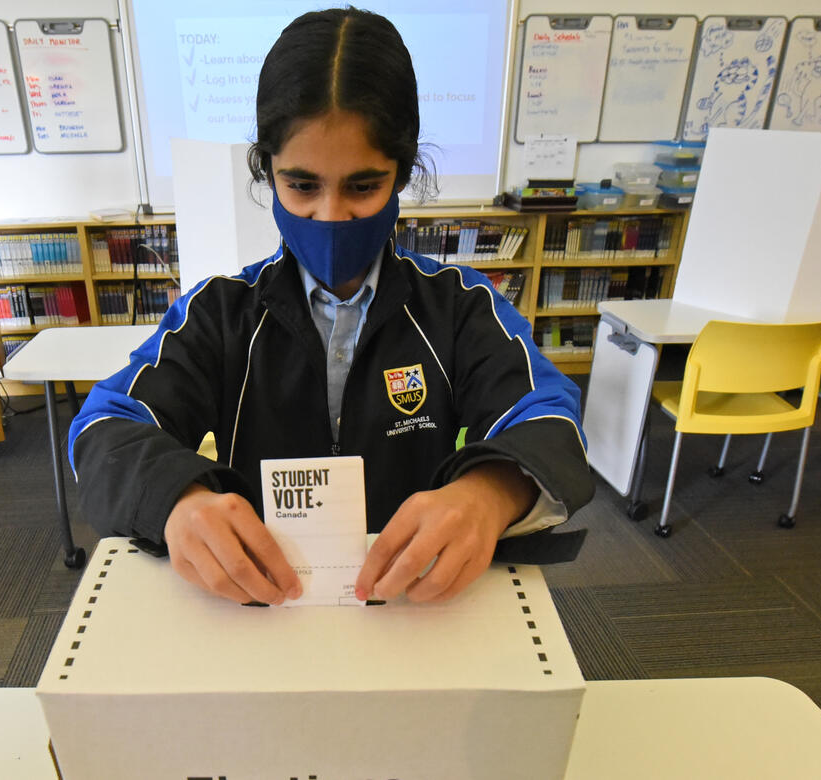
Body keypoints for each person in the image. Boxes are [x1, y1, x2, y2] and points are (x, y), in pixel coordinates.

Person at [69, 7, 593, 606]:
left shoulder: (459, 307)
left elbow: (552, 418)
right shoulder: (219, 314)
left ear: (402, 174)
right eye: (302, 184)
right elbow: (104, 426)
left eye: (364, 186)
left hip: (416, 603)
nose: (331, 215)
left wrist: (491, 493)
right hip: (263, 603)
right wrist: (177, 500)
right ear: (267, 169)